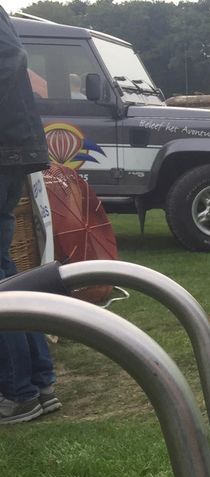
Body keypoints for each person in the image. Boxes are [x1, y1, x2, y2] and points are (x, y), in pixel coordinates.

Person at [0, 7, 61, 425]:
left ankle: (18, 393)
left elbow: (9, 61)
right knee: (6, 270)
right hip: (13, 145)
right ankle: (39, 383)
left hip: (5, 146)